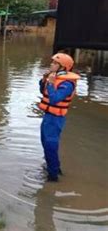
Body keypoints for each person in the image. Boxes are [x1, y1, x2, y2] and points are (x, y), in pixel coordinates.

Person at [38, 53, 80, 182]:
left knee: (50, 145)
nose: (52, 64)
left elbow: (55, 99)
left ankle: (53, 177)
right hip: (48, 116)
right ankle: (54, 168)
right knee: (45, 143)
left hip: (55, 119)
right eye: (52, 62)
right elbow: (43, 92)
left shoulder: (67, 84)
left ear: (63, 67)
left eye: (55, 63)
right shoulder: (54, 78)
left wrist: (50, 84)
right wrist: (44, 81)